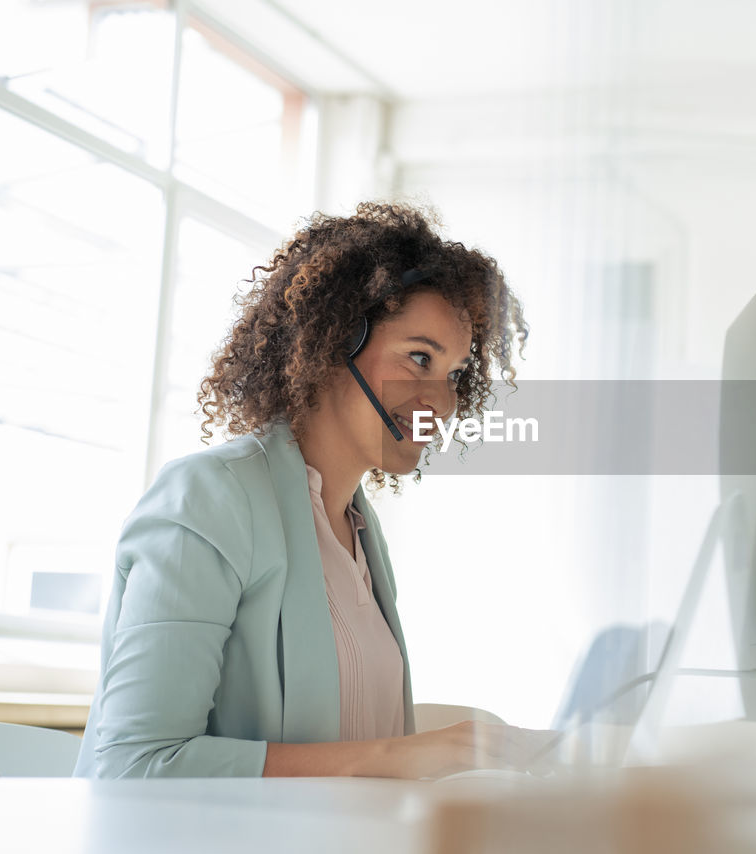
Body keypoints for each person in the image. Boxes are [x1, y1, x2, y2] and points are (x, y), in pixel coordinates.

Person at [74, 202, 540, 778]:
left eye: (451, 375)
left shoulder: (358, 532)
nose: (443, 402)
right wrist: (399, 757)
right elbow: (133, 765)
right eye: (418, 357)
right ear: (333, 344)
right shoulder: (210, 499)